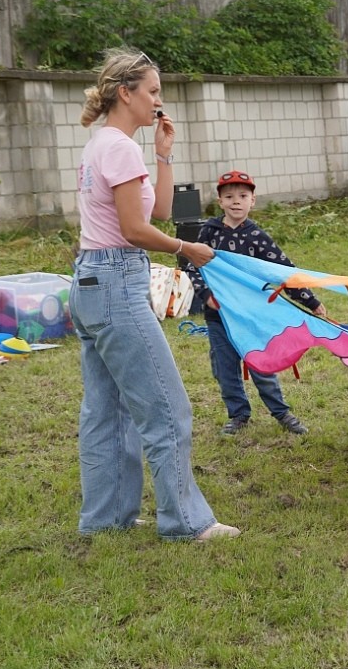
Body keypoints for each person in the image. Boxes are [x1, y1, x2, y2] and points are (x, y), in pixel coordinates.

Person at [69, 47, 239, 542]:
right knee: (167, 408)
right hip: (116, 282)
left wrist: (163, 154)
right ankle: (186, 523)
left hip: (92, 283)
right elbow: (134, 230)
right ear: (126, 93)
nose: (159, 101)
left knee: (106, 411)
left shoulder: (105, 143)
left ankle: (105, 520)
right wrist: (189, 248)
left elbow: (159, 211)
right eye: (153, 91)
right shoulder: (117, 147)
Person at [185, 169, 328, 436]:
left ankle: (281, 412)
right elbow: (192, 266)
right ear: (220, 202)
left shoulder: (258, 237)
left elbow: (283, 271)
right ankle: (238, 414)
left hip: (253, 316)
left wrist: (310, 301)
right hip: (220, 317)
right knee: (225, 369)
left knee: (261, 364)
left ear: (253, 200)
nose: (236, 201)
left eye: (242, 195)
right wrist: (206, 296)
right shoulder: (209, 233)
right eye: (229, 196)